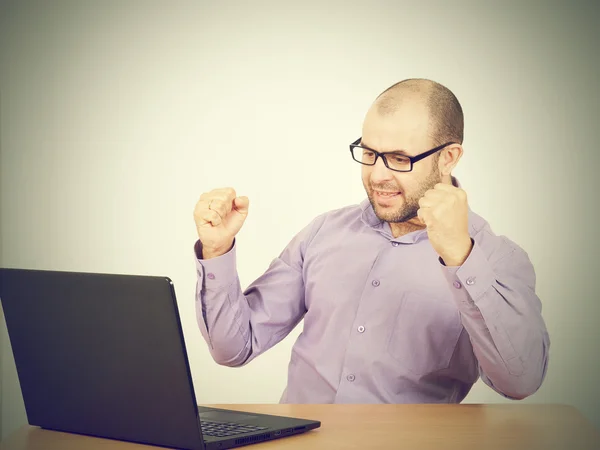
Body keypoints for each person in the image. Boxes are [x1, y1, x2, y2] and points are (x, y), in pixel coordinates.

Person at [192, 78, 550, 404]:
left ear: (448, 158)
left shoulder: (496, 258)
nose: (377, 175)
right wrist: (217, 250)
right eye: (368, 153)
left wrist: (461, 258)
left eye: (399, 159)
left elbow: (520, 382)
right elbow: (234, 348)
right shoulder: (323, 233)